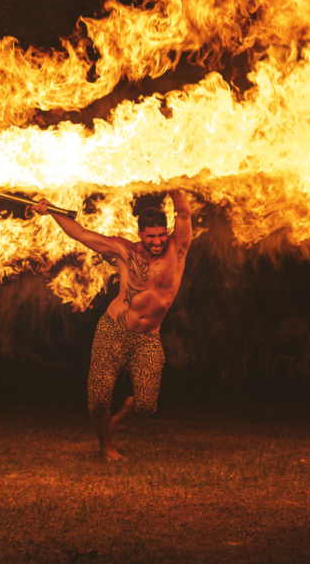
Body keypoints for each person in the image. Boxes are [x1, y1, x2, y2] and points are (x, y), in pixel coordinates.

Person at [30, 191, 192, 460]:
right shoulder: (125, 250)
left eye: (161, 234)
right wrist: (52, 212)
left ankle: (130, 407)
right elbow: (82, 235)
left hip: (148, 338)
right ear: (140, 234)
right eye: (150, 236)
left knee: (148, 406)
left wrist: (174, 180)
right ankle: (106, 448)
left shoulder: (178, 249)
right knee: (98, 398)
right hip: (113, 331)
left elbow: (184, 213)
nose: (157, 241)